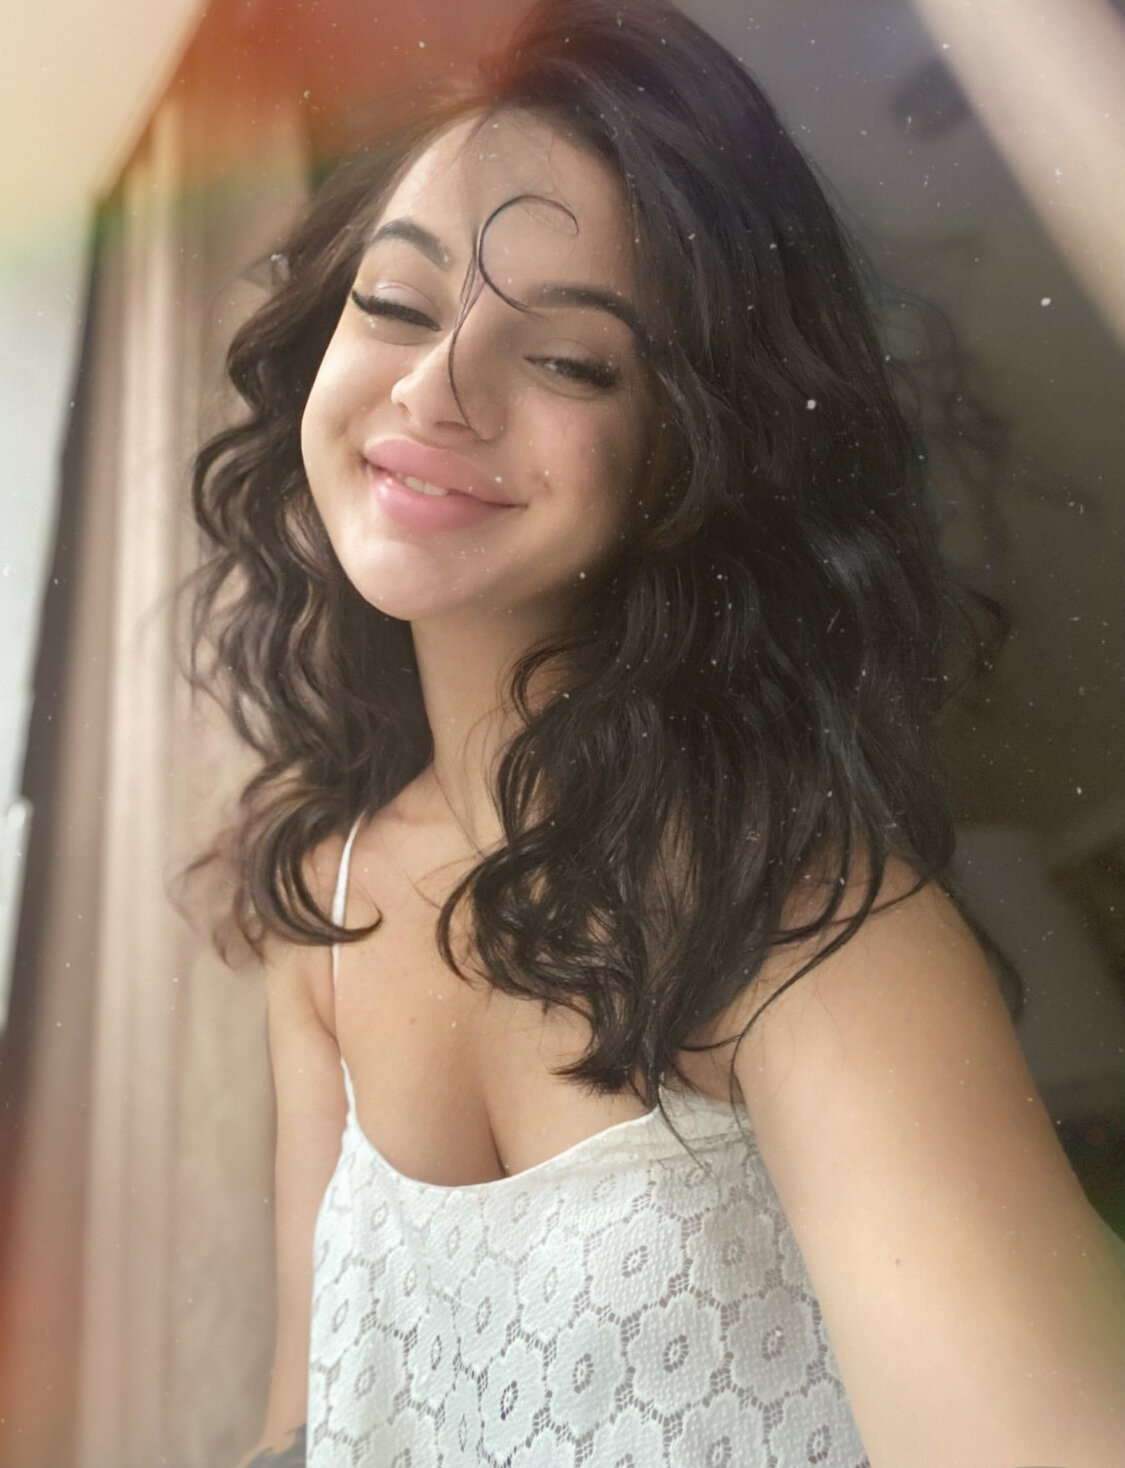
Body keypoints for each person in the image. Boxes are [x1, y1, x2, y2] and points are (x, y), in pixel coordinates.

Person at [189, 1, 1125, 1464]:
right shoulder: (329, 898)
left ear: (689, 447)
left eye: (570, 361)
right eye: (396, 303)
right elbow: (308, 1429)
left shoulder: (808, 931)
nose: (434, 389)